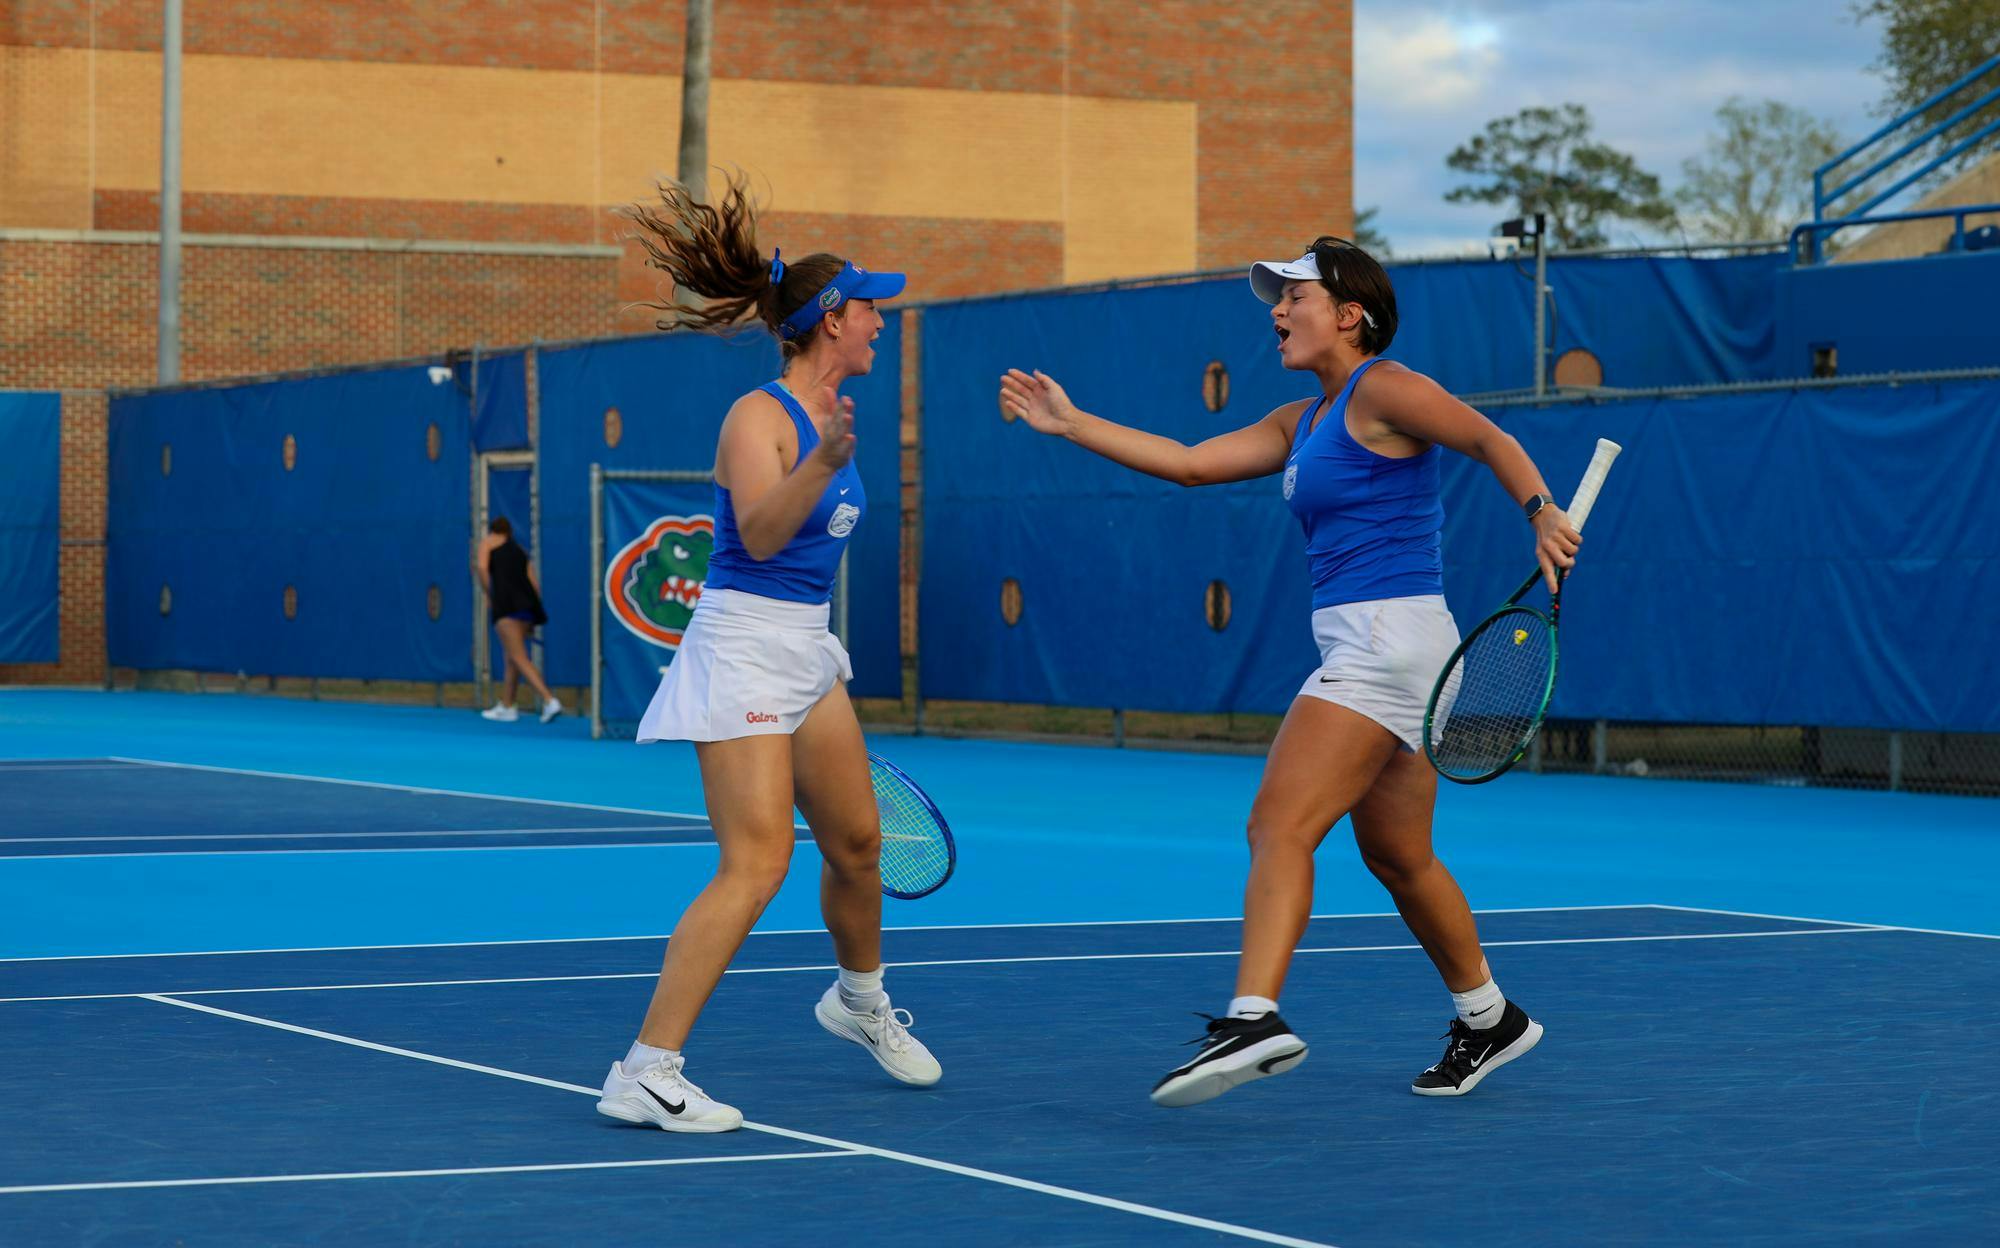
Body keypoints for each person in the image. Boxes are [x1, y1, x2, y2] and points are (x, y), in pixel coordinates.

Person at [998, 236, 1581, 1104]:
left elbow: (1486, 436)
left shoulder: (1383, 386)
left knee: (1278, 826)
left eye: (1295, 297)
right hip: (1396, 645)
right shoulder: (1300, 421)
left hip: (1386, 642)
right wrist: (1071, 423)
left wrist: (1540, 511)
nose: (1277, 312)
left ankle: (1254, 1016)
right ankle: (1490, 1017)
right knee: (1400, 855)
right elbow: (1192, 464)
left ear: (1350, 315)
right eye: (1277, 299)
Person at [594, 176, 940, 1134]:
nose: (883, 321)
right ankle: (646, 1069)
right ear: (832, 319)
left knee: (860, 844)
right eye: (872, 308)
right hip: (742, 643)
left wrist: (833, 455)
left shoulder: (834, 419)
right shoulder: (760, 417)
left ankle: (859, 1001)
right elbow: (757, 525)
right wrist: (823, 462)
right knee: (754, 866)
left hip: (802, 648)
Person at [474, 517, 561, 723]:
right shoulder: (520, 550)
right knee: (511, 657)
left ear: (492, 530)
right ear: (509, 532)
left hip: (506, 607)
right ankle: (508, 706)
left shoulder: (487, 542)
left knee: (519, 657)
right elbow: (534, 585)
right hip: (527, 608)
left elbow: (481, 568)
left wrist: (491, 594)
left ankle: (549, 700)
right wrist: (533, 614)